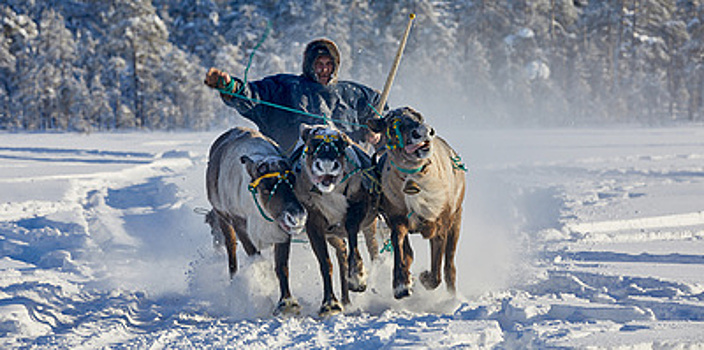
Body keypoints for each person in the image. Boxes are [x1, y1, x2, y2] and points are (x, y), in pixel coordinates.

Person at [204, 38, 384, 153]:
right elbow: (253, 95)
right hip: (295, 171)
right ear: (308, 65)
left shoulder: (351, 93)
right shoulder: (286, 87)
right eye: (318, 63)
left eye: (329, 64)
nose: (324, 69)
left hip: (346, 170)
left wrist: (374, 129)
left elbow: (378, 107)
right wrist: (230, 86)